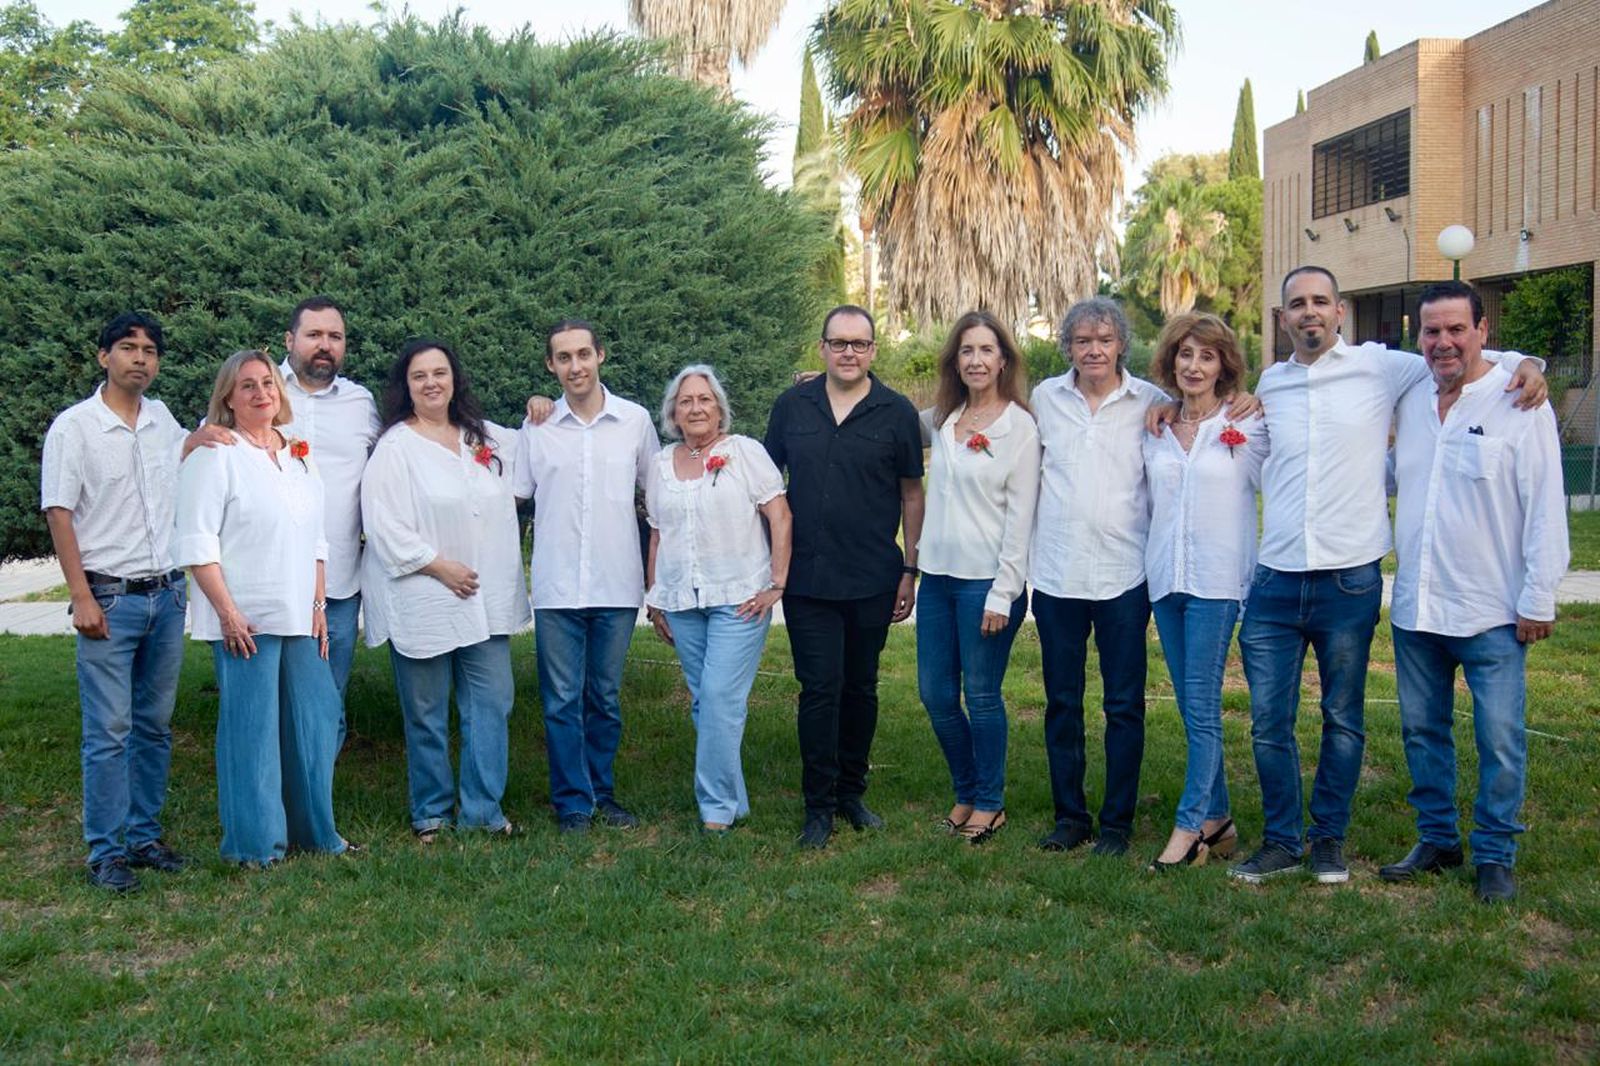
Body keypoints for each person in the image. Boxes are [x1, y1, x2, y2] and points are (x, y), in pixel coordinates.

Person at [1224, 266, 1547, 885]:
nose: (1309, 311)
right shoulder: (1273, 382)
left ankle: (1329, 841)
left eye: (1321, 301)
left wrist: (1528, 361)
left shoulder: (1381, 367)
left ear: (1340, 310)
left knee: (1343, 719)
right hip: (1275, 578)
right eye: (1297, 304)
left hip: (1349, 579)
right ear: (1283, 317)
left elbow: (1456, 350)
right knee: (1269, 724)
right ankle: (1282, 840)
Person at [1032, 297, 1254, 857]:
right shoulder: (1045, 399)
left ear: (1121, 346)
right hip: (1057, 574)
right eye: (1083, 341)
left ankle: (1116, 825)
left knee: (1124, 705)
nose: (1094, 350)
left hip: (1126, 576)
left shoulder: (1151, 404)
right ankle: (1070, 817)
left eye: (1104, 340)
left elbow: (1217, 406)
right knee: (1062, 701)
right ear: (1068, 348)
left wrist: (1244, 396)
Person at [1379, 281, 1568, 903]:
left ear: (1484, 331)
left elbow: (1545, 507)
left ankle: (1494, 854)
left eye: (1457, 329)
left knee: (1500, 739)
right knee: (1422, 732)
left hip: (1491, 610)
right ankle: (1437, 840)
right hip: (1417, 608)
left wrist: (1538, 597)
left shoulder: (1519, 402)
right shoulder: (1409, 402)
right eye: (1431, 331)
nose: (1443, 342)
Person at [173, 350, 351, 866]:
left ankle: (317, 835)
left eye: (268, 383)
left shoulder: (298, 452)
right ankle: (255, 847)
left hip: (300, 614)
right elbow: (197, 543)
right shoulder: (215, 453)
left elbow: (317, 539)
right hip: (244, 619)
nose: (260, 393)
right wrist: (227, 612)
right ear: (228, 396)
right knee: (252, 734)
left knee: (313, 727)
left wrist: (319, 603)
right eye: (247, 385)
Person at [764, 304, 925, 849]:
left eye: (859, 344)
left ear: (873, 351)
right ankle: (818, 806)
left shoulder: (896, 412)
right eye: (839, 343)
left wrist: (909, 567)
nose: (849, 352)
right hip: (807, 578)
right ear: (823, 348)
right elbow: (767, 485)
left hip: (874, 576)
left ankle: (852, 793)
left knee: (860, 687)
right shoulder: (792, 407)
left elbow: (910, 493)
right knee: (819, 690)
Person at [41, 312, 190, 892]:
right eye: (127, 348)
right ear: (103, 356)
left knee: (153, 727)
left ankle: (144, 837)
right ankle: (105, 853)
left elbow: (191, 457)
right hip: (108, 596)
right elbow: (59, 511)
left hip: (167, 595)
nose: (140, 358)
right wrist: (80, 596)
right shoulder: (74, 428)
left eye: (150, 350)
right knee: (109, 730)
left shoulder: (163, 421)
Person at [360, 340, 529, 841]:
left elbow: (538, 451)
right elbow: (384, 525)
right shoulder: (395, 448)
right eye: (419, 376)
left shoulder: (486, 439)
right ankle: (431, 810)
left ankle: (483, 809)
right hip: (424, 596)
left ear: (455, 379)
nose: (431, 382)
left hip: (485, 598)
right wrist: (438, 566)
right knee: (427, 711)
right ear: (405, 386)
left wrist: (541, 407)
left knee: (491, 703)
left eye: (440, 372)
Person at [512, 319, 658, 834]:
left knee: (605, 697)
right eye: (563, 358)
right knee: (560, 700)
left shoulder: (635, 422)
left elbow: (660, 496)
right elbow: (513, 497)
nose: (575, 366)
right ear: (551, 366)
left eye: (583, 355)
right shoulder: (538, 426)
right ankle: (572, 802)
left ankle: (603, 791)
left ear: (600, 356)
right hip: (555, 587)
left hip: (618, 584)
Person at [643, 365, 792, 835]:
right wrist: (655, 598)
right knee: (705, 703)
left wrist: (777, 583)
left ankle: (715, 811)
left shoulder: (744, 452)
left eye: (704, 399)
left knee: (721, 698)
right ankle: (735, 800)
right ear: (673, 413)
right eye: (685, 401)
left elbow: (780, 516)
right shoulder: (661, 464)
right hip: (682, 602)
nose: (696, 408)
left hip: (740, 597)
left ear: (719, 406)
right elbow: (656, 534)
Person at [1141, 312, 1266, 870]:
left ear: (1224, 366)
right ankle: (1220, 820)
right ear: (1172, 361)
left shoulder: (1250, 426)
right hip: (1165, 579)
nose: (1194, 366)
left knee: (1202, 705)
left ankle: (1190, 826)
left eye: (1207, 356)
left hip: (1217, 582)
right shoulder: (1157, 427)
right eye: (1185, 355)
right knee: (1193, 709)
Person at [915, 311, 1040, 845]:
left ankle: (990, 802)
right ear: (955, 361)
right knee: (936, 694)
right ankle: (965, 791)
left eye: (986, 350)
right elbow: (884, 412)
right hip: (937, 579)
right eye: (967, 351)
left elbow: (1021, 517)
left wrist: (1004, 593)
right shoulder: (943, 419)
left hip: (986, 583)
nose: (976, 360)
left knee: (982, 695)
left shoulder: (1020, 427)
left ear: (1003, 360)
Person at [276, 297, 381, 744]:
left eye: (334, 337)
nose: (325, 345)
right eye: (314, 335)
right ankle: (277, 794)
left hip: (338, 582)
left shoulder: (361, 403)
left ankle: (317, 793)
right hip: (271, 579)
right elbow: (209, 443)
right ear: (290, 340)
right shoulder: (259, 389)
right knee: (273, 697)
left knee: (326, 694)